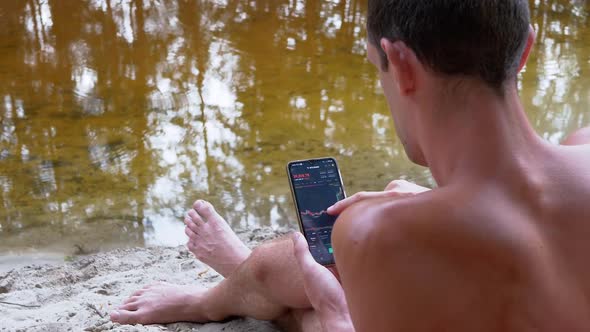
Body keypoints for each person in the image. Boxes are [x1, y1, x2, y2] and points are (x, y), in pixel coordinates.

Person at [111, 0, 590, 330]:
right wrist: (428, 201)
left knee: (323, 306)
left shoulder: (378, 234)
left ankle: (218, 295)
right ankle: (240, 283)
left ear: (400, 65)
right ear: (525, 48)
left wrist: (338, 318)